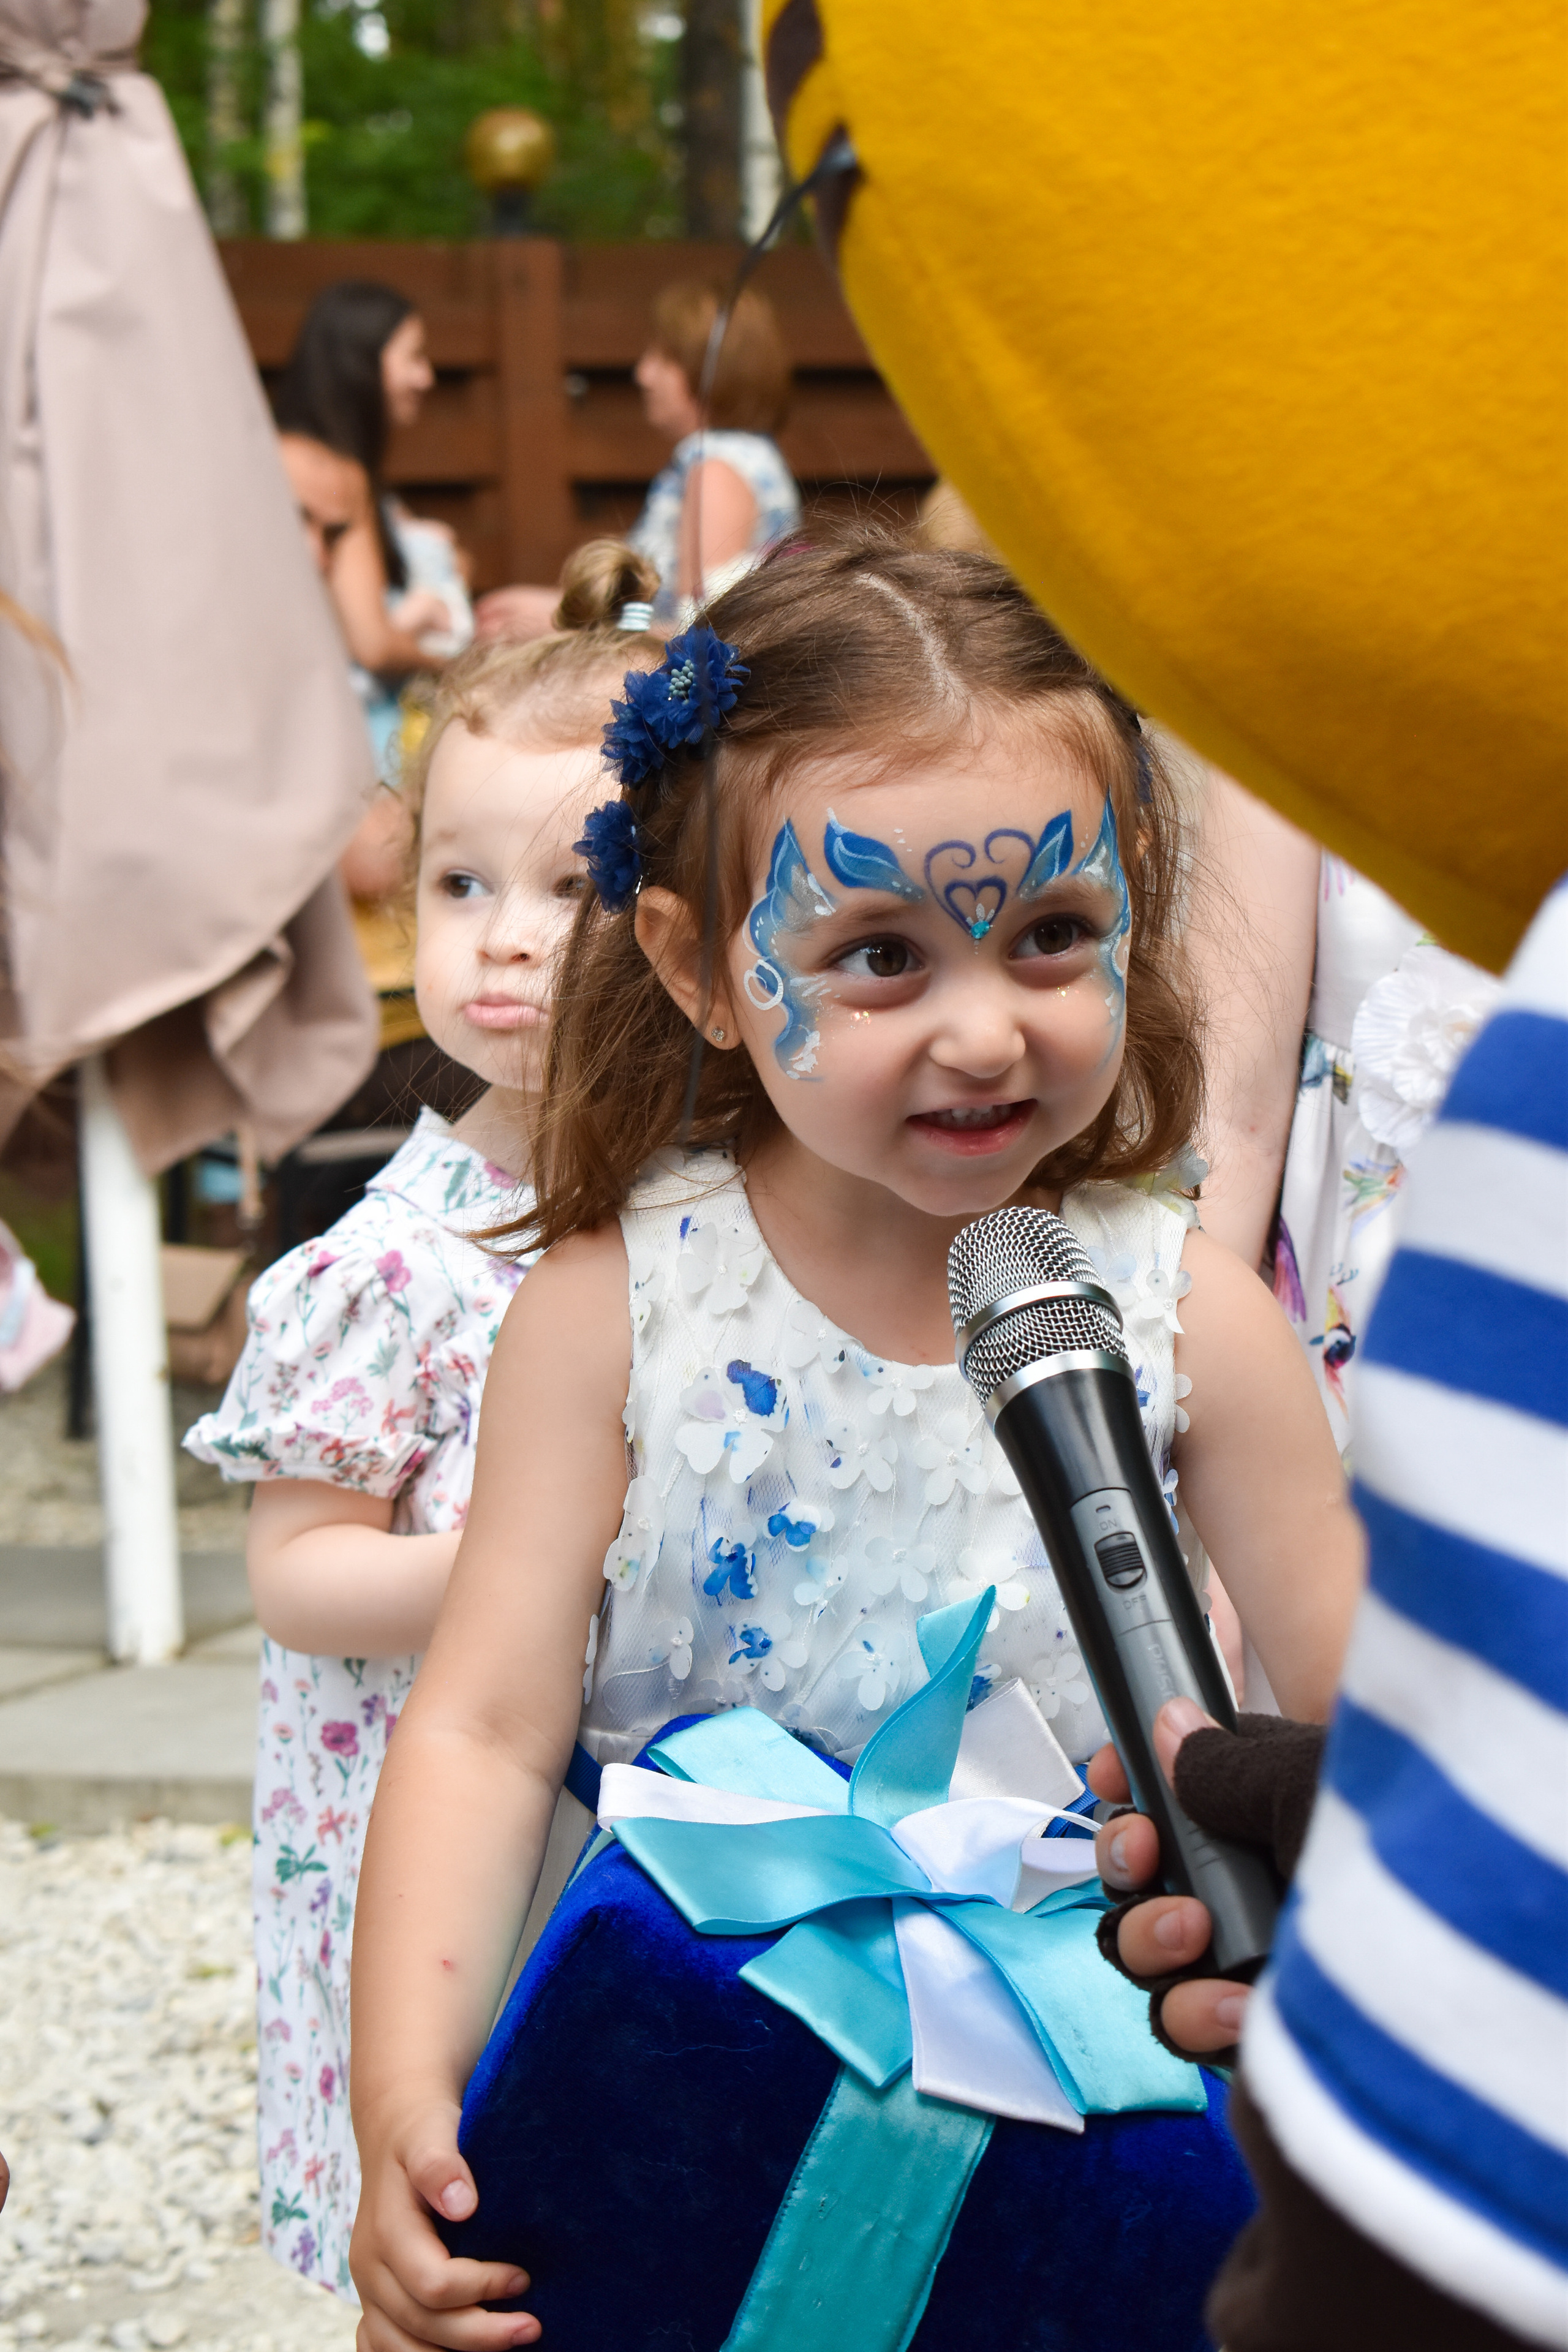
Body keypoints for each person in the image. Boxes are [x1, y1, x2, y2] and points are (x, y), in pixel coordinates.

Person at [344, 535, 1363, 2346]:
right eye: (879, 953)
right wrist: (406, 2096)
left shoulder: (1193, 1318)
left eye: (1050, 931)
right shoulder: (614, 1315)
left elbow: (1370, 1739)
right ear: (699, 960)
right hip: (689, 2096)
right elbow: (489, 1725)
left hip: (1104, 2119)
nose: (985, 1026)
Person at [183, 545, 662, 2299]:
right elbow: (300, 1572)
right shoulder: (396, 1262)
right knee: (457, 2199)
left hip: (612, 1802)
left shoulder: (697, 1216)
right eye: (461, 885)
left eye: (574, 886)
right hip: (419, 1829)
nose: (511, 938)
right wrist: (521, 1567)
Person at [476, 280, 801, 643]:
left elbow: (705, 637)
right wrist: (561, 607)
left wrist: (566, 627)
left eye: (664, 358)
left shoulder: (716, 469)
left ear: (712, 367)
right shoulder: (742, 456)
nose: (643, 374)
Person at [273, 281, 474, 778]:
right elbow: (373, 645)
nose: (426, 378)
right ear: (361, 364)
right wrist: (462, 666)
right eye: (412, 357)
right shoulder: (333, 476)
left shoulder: (278, 451)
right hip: (351, 747)